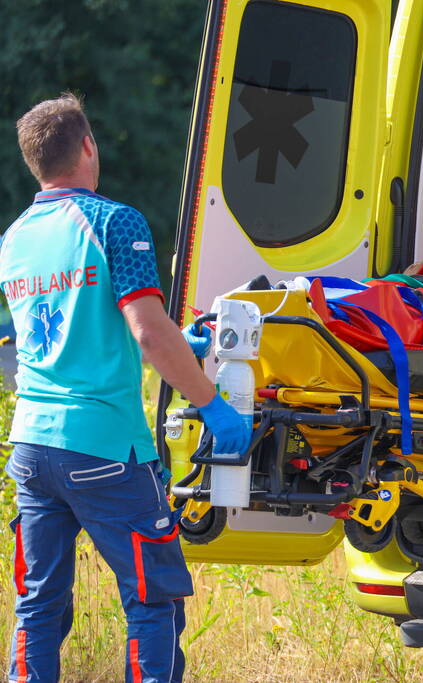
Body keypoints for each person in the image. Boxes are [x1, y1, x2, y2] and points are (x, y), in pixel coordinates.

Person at [1, 93, 249, 683]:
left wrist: (170, 339)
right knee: (152, 601)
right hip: (105, 448)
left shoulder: (14, 239)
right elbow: (146, 333)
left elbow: (55, 332)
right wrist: (211, 404)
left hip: (31, 447)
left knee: (38, 605)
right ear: (88, 145)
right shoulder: (115, 221)